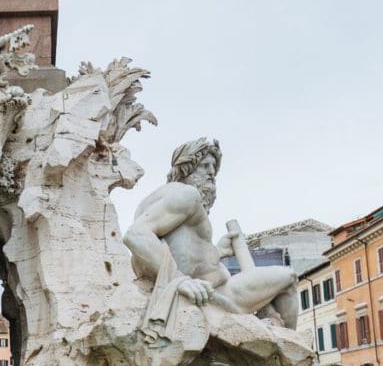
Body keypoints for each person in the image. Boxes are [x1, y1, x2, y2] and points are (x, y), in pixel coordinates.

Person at [124, 138, 299, 342]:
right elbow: (135, 236)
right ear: (186, 168)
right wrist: (179, 282)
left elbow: (184, 255)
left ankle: (274, 339)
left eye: (213, 169)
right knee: (289, 277)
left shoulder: (165, 199)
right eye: (204, 166)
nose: (211, 174)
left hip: (210, 288)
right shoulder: (186, 195)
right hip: (218, 294)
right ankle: (286, 349)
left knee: (273, 288)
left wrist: (218, 252)